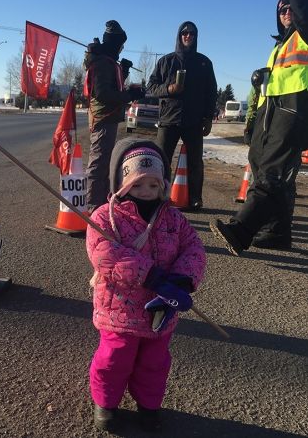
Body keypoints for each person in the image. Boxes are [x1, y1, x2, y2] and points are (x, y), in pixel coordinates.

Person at [86, 137, 206, 432]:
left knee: (155, 362)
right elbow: (104, 253)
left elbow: (194, 249)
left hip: (160, 310)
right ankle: (106, 402)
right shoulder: (105, 217)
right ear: (122, 184)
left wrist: (181, 278)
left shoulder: (173, 219)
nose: (146, 192)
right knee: (114, 359)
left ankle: (149, 404)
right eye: (137, 185)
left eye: (154, 185)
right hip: (119, 311)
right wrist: (148, 275)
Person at [211, 0, 308, 254]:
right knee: (267, 168)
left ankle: (242, 230)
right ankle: (276, 233)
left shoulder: (304, 34)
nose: (287, 12)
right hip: (273, 111)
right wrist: (254, 122)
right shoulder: (280, 45)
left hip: (296, 107)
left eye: (291, 7)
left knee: (272, 172)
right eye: (282, 9)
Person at [147, 21, 217, 211]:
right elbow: (151, 88)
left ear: (195, 37)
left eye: (192, 33)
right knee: (161, 160)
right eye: (184, 33)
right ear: (179, 36)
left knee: (195, 162)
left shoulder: (204, 62)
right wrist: (169, 89)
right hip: (168, 120)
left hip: (193, 122)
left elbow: (211, 92)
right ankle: (159, 196)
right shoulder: (166, 61)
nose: (188, 36)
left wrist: (208, 117)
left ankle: (195, 198)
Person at [84, 20, 145, 214]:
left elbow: (114, 85)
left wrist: (124, 70)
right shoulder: (102, 61)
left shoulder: (107, 60)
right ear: (114, 43)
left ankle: (101, 204)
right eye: (121, 44)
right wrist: (130, 96)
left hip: (108, 117)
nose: (121, 48)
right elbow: (103, 94)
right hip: (103, 117)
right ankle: (93, 207)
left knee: (104, 162)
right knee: (99, 163)